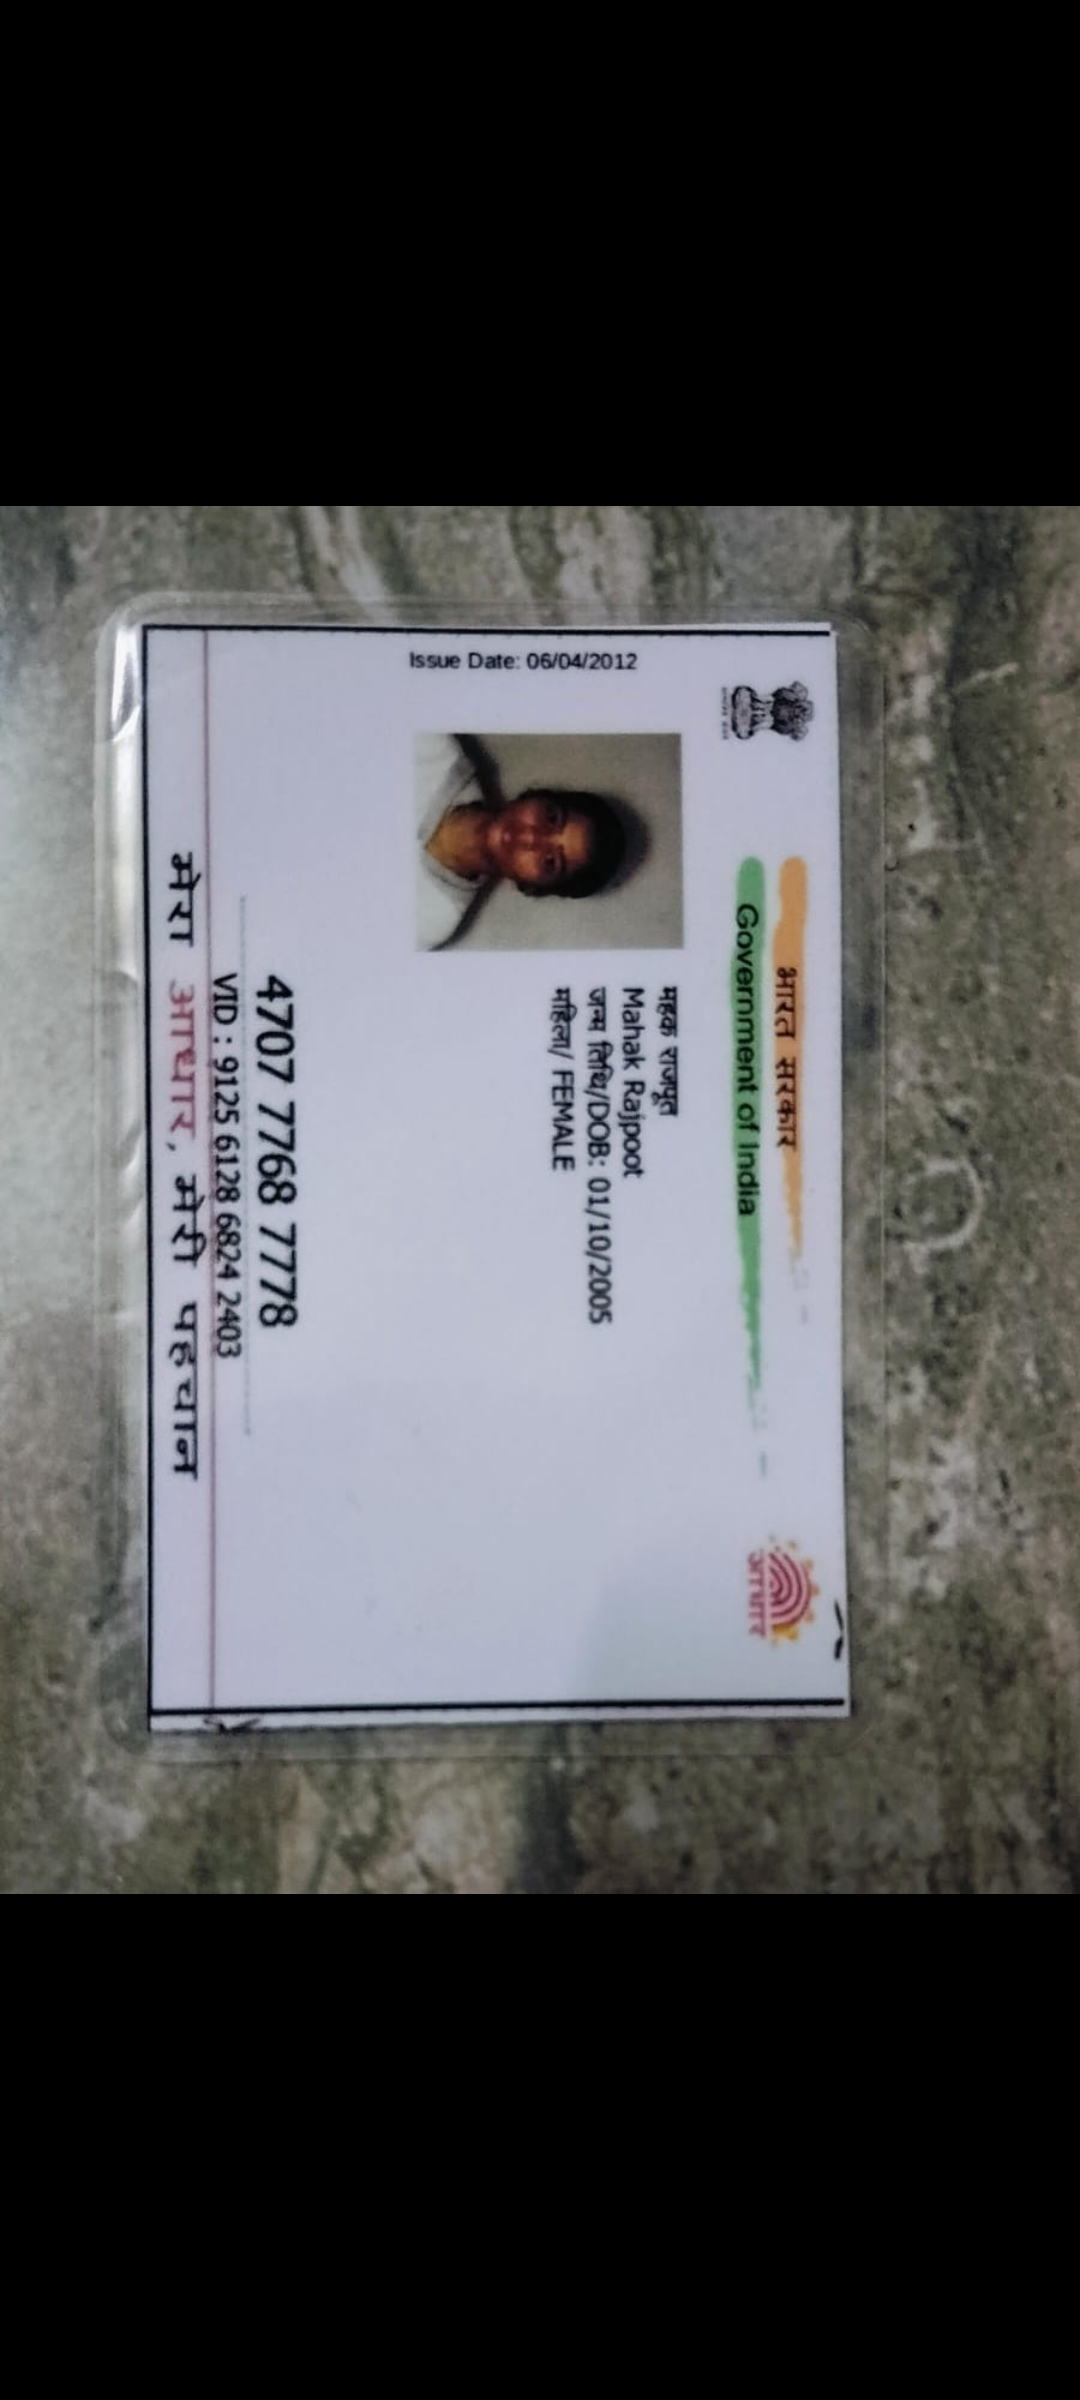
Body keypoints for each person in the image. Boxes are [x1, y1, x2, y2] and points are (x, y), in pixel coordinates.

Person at [416, 733, 626, 950]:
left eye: (550, 862)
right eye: (551, 818)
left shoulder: (433, 920)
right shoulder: (431, 749)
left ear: (531, 888)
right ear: (535, 795)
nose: (532, 837)